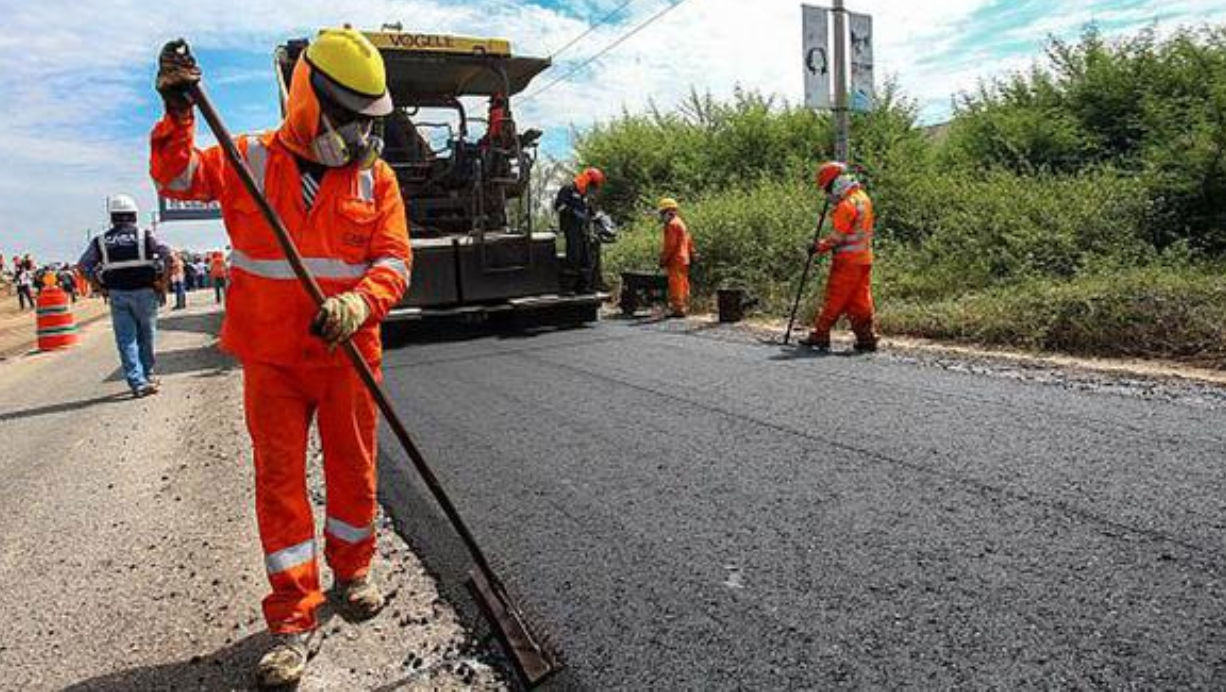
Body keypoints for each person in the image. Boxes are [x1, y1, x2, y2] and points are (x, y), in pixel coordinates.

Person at [152, 29, 411, 687]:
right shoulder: (250, 159)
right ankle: (292, 618)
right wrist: (179, 114)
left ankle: (353, 572)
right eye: (348, 116)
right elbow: (177, 176)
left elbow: (394, 261)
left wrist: (358, 304)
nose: (359, 132)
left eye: (367, 118)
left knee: (354, 470)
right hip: (270, 358)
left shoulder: (374, 178)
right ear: (309, 100)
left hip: (347, 353)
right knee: (280, 484)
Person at [78, 194, 171, 396]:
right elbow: (168, 255)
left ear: (112, 217)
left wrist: (98, 287)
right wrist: (163, 283)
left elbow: (83, 265)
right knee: (146, 336)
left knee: (126, 340)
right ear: (134, 215)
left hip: (117, 294)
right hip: (146, 293)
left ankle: (137, 383)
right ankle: (148, 375)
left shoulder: (100, 241)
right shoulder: (145, 235)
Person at [800, 161, 878, 352]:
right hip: (864, 259)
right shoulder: (863, 198)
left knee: (835, 298)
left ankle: (820, 335)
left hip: (848, 261)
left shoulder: (846, 205)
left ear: (835, 183)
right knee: (860, 301)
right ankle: (866, 338)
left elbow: (837, 238)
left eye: (827, 187)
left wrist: (818, 247)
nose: (827, 193)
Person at [554, 166, 606, 294]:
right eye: (592, 185)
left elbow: (591, 211)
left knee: (586, 258)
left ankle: (583, 287)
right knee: (572, 257)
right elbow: (558, 206)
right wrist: (573, 212)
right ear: (587, 180)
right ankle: (567, 288)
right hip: (569, 230)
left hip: (583, 230)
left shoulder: (585, 195)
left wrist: (599, 218)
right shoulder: (568, 190)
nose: (593, 189)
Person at [656, 198, 696, 318]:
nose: (662, 216)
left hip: (676, 259)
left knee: (676, 284)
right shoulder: (680, 222)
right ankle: (685, 306)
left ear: (669, 212)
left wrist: (663, 259)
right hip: (684, 259)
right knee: (683, 283)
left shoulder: (672, 225)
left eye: (663, 213)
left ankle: (678, 309)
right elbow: (689, 240)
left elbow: (670, 245)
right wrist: (693, 253)